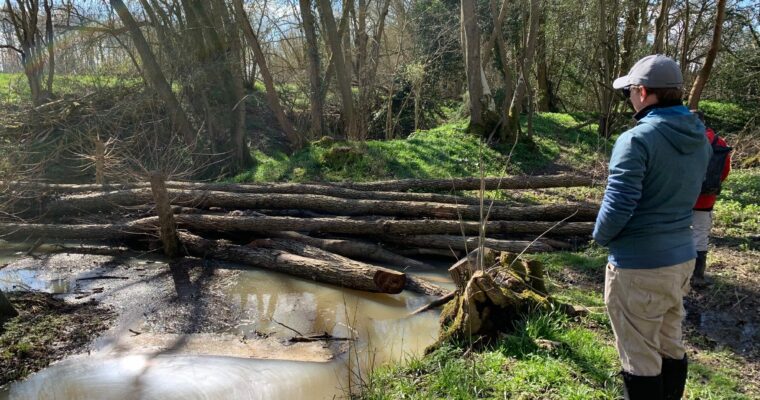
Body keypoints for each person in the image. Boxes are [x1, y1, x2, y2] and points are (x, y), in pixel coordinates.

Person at [593, 54, 711, 400]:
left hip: (639, 265)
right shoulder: (699, 136)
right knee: (669, 342)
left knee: (639, 355)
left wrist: (600, 236)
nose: (628, 97)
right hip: (681, 258)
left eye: (629, 90)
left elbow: (618, 205)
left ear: (643, 92)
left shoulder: (636, 140)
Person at [690, 110, 731, 284]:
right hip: (706, 197)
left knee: (678, 231)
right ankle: (697, 276)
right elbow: (725, 170)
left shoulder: (684, 140)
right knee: (700, 233)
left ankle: (677, 274)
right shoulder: (719, 141)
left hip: (681, 195)